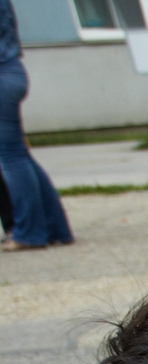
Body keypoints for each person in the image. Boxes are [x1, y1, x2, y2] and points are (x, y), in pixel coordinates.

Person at [0, 0, 73, 253]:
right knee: (18, 155)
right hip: (12, 70)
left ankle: (29, 233)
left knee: (10, 157)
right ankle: (56, 228)